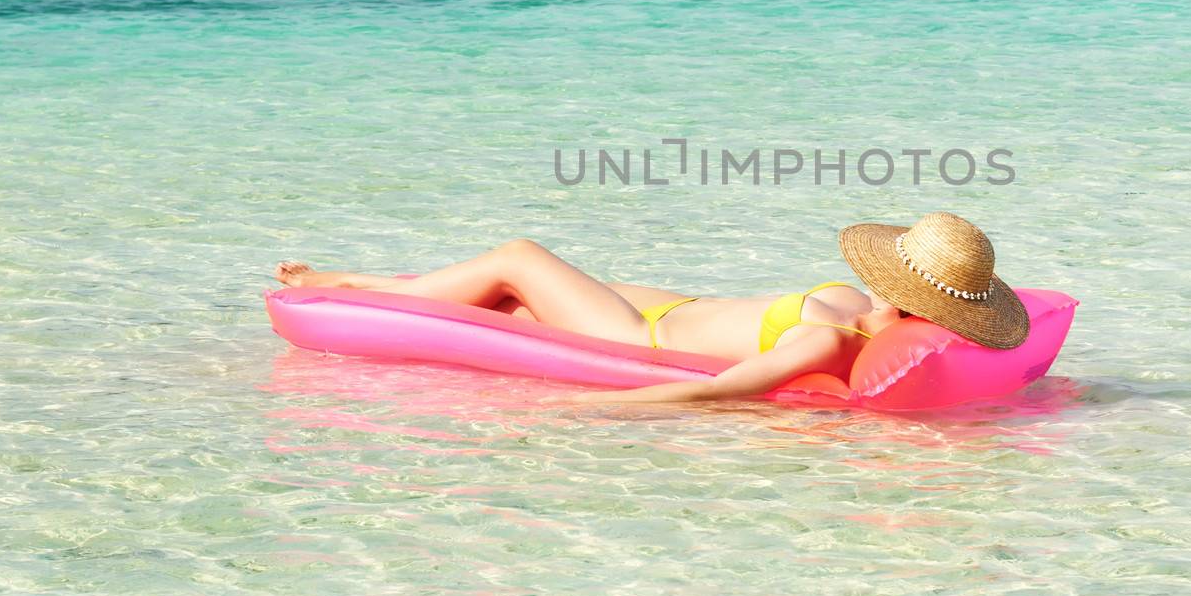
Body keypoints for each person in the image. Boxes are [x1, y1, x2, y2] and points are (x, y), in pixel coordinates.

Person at [273, 211, 1029, 403]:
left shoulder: (824, 346)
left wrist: (596, 418)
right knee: (508, 290)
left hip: (641, 335)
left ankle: (348, 285)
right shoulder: (851, 307)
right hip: (674, 304)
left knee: (518, 258)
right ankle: (373, 281)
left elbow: (709, 393)